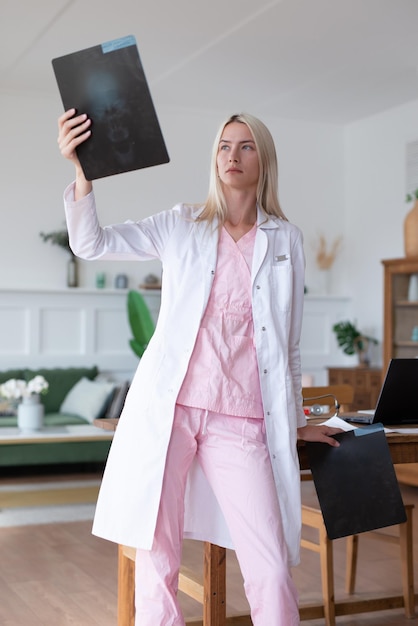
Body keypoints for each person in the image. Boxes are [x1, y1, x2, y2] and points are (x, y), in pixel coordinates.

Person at [58, 108, 341, 626]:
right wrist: (83, 173)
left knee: (271, 561)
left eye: (246, 146)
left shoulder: (286, 239)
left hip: (243, 418)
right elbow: (90, 243)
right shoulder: (180, 224)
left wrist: (295, 419)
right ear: (214, 158)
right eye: (224, 146)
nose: (233, 156)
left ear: (265, 160)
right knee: (157, 551)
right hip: (172, 412)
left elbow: (290, 345)